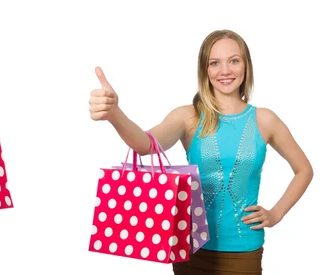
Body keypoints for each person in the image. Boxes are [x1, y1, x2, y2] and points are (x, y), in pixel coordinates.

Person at [88, 29, 313, 274]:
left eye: (234, 61)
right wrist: (114, 114)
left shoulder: (264, 120)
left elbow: (304, 170)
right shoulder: (189, 117)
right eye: (214, 63)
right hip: (190, 248)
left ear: (246, 66)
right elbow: (145, 145)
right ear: (205, 70)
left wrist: (276, 214)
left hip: (243, 250)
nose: (225, 71)